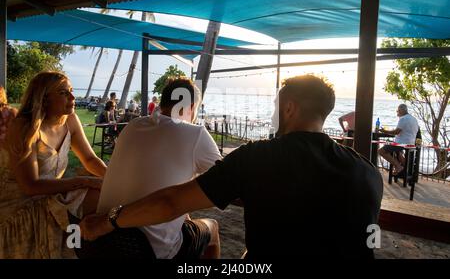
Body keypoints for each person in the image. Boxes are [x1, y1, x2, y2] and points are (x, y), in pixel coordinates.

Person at [80, 74, 383, 259]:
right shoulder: (368, 171)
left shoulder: (258, 157)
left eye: (277, 108)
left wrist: (108, 221)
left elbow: (171, 201)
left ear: (289, 108)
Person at [90, 78, 222, 259]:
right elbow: (227, 181)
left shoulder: (133, 125)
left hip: (105, 239)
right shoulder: (195, 134)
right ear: (191, 106)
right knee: (212, 227)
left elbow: (158, 179)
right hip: (148, 249)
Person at [0, 71, 107, 259]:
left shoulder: (70, 121)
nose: (73, 97)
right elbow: (30, 186)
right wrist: (85, 181)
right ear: (44, 98)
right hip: (20, 204)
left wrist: (112, 180)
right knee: (92, 195)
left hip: (51, 195)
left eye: (72, 91)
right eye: (64, 93)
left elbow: (89, 160)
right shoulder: (24, 127)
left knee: (103, 194)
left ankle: (90, 246)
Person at [378, 104, 419, 175]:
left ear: (401, 110)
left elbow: (396, 132)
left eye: (398, 111)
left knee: (381, 151)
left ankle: (398, 166)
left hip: (401, 143)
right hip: (411, 143)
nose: (397, 113)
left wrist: (384, 131)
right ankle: (406, 170)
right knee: (397, 153)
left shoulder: (403, 118)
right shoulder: (413, 119)